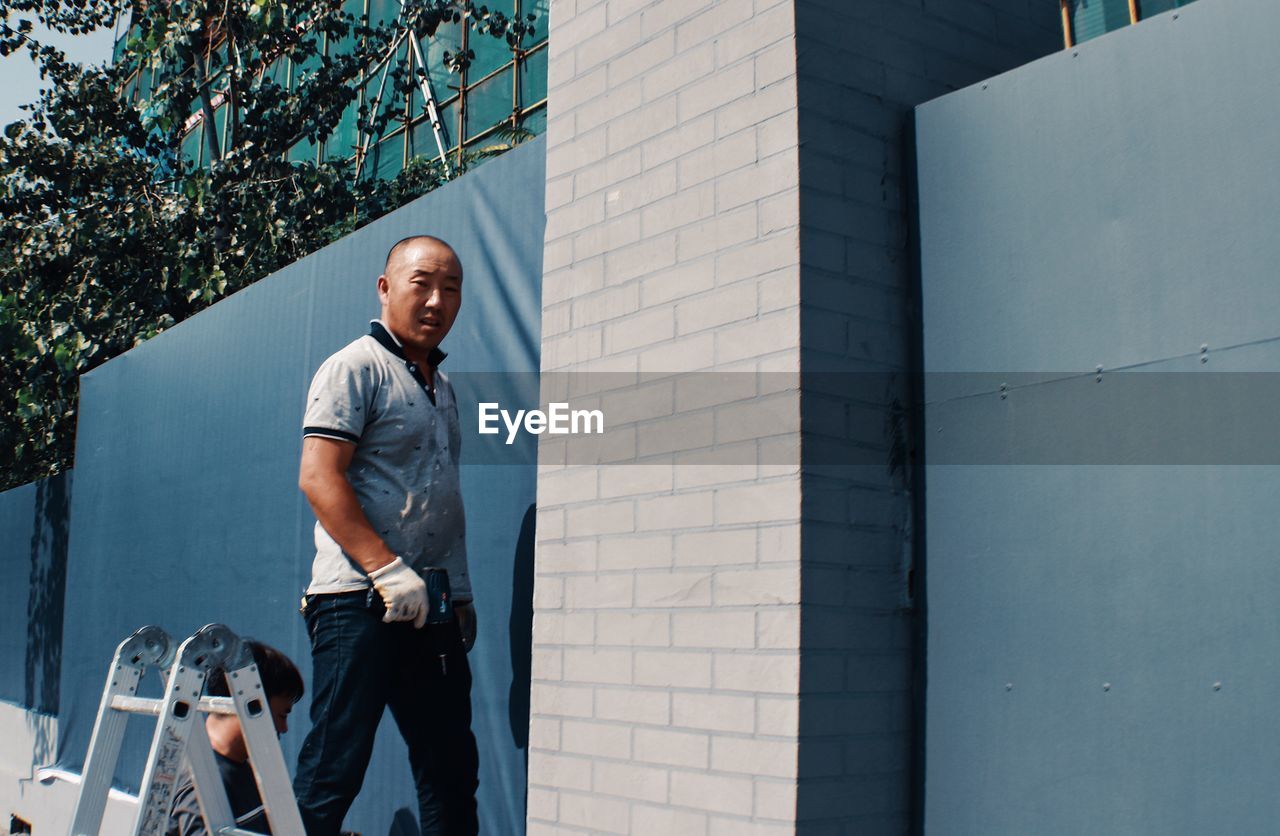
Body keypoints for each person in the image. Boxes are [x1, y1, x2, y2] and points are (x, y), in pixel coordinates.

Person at [292, 235, 479, 836]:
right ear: (385, 288)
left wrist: (462, 594)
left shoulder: (442, 388)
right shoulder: (354, 366)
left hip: (435, 605)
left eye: (450, 289)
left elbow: (438, 499)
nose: (436, 301)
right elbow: (320, 477)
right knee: (334, 769)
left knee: (451, 769)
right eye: (421, 283)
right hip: (358, 599)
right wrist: (385, 568)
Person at [166, 640, 305, 836]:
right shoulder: (202, 781)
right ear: (252, 704)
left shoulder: (242, 768)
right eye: (282, 716)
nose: (284, 729)